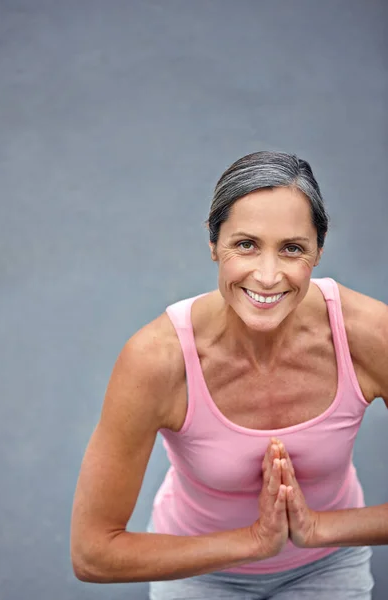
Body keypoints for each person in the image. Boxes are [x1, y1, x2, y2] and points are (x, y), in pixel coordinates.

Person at [70, 151, 388, 599]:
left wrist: (318, 528)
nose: (267, 275)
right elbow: (93, 552)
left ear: (319, 250)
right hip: (199, 569)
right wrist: (255, 541)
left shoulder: (371, 335)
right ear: (213, 244)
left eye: (292, 248)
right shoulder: (157, 359)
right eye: (246, 245)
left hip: (328, 561)